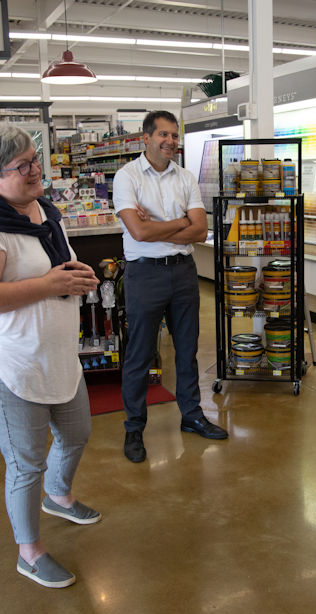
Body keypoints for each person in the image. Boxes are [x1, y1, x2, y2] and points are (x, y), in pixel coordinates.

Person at [0, 122, 102, 589]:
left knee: (77, 432)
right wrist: (50, 285)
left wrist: (80, 275)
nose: (36, 171)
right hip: (8, 361)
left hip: (55, 354)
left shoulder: (43, 211)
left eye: (35, 161)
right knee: (26, 462)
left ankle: (57, 496)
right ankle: (29, 552)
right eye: (23, 166)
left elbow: (56, 265)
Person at [112, 110, 227, 463]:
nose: (170, 141)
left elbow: (199, 230)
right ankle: (134, 428)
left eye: (174, 135)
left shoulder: (186, 177)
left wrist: (167, 224)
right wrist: (181, 222)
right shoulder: (126, 177)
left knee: (187, 348)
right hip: (144, 275)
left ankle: (191, 415)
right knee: (140, 354)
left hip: (182, 273)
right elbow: (139, 232)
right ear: (146, 138)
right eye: (163, 134)